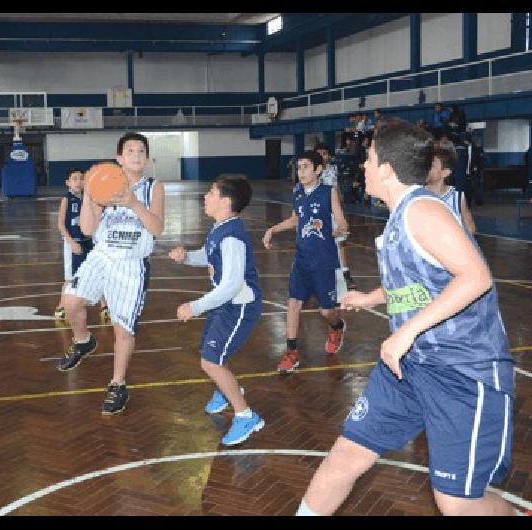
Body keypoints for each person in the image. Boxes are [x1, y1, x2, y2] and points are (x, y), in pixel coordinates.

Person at [296, 119, 519, 516]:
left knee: (457, 503)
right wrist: (371, 298)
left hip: (462, 371)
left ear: (385, 169)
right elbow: (424, 284)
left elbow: (476, 277)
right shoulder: (400, 215)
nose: (363, 166)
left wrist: (406, 332)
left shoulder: (422, 211)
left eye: (368, 158)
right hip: (409, 367)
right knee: (345, 456)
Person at [57, 132, 165, 415]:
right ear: (119, 158)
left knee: (123, 329)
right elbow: (88, 231)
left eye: (141, 151)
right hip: (101, 256)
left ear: (147, 158)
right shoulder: (101, 183)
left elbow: (156, 229)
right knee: (70, 301)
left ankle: (117, 384)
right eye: (130, 151)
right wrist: (92, 199)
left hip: (131, 263)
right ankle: (83, 341)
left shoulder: (153, 187)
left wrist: (133, 203)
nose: (136, 155)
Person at [169, 175, 264, 445]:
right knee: (210, 354)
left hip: (239, 306)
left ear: (225, 200)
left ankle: (246, 416)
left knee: (210, 360)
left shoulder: (232, 236)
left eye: (211, 192)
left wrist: (196, 306)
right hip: (226, 304)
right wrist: (187, 256)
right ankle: (226, 390)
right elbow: (208, 255)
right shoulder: (220, 228)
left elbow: (232, 285)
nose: (205, 197)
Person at [262, 150, 349, 374]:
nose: (300, 172)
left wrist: (339, 229)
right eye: (298, 167)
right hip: (301, 260)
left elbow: (342, 222)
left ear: (318, 169)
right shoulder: (298, 192)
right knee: (293, 304)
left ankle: (337, 326)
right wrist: (273, 229)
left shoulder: (328, 192)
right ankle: (291, 352)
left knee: (326, 311)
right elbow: (295, 218)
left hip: (324, 261)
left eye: (305, 167)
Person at [54, 168, 108, 321]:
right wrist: (71, 243)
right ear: (68, 183)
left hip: (89, 243)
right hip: (74, 243)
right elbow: (60, 225)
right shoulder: (66, 200)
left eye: (81, 178)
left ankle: (104, 306)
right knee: (71, 279)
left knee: (98, 274)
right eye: (74, 178)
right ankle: (61, 307)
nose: (78, 182)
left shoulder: (89, 199)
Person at [315, 143, 357, 291]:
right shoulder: (312, 171)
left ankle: (345, 273)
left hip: (335, 212)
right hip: (320, 214)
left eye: (325, 153)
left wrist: (341, 211)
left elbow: (336, 188)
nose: (322, 156)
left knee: (341, 243)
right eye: (319, 153)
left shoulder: (333, 169)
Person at [426, 141, 477, 234]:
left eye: (432, 165)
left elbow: (471, 229)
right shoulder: (415, 193)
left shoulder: (457, 198)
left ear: (445, 172)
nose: (426, 168)